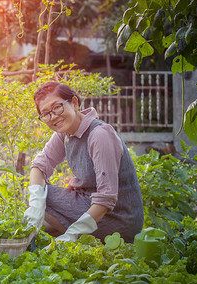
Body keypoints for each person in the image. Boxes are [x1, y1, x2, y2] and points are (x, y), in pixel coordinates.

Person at [24, 82, 143, 244]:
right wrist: (36, 205)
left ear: (74, 103)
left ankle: (76, 238)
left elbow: (105, 199)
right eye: (45, 114)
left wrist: (73, 233)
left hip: (118, 219)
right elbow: (39, 166)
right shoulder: (64, 133)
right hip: (88, 203)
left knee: (46, 200)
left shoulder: (99, 135)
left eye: (57, 107)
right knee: (37, 193)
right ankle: (66, 236)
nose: (53, 117)